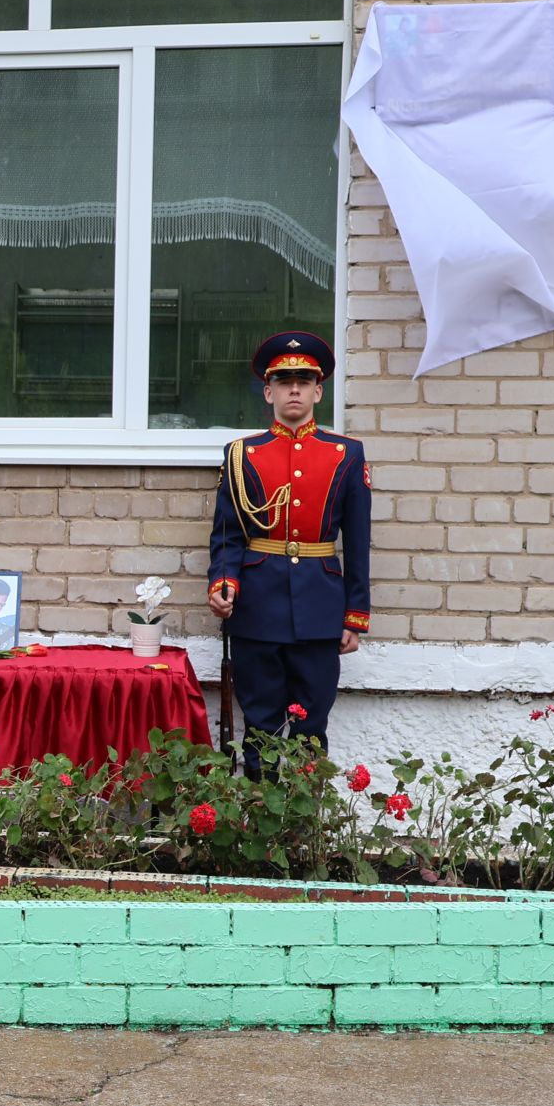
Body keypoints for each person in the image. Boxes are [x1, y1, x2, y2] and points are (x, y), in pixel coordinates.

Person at [207, 331, 371, 775]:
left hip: (320, 609)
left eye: (303, 380)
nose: (293, 389)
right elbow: (227, 534)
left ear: (319, 390)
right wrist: (223, 583)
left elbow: (357, 543)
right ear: (269, 391)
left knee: (311, 727)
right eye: (283, 381)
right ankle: (261, 817)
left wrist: (354, 615)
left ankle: (301, 830)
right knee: (259, 725)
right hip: (257, 608)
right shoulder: (242, 455)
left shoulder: (346, 456)